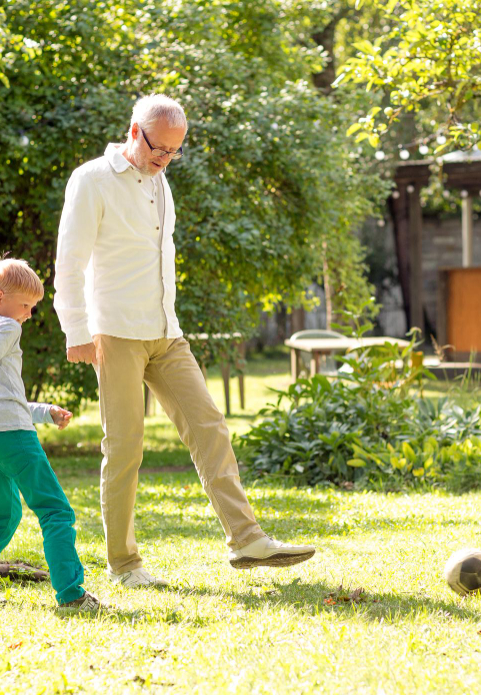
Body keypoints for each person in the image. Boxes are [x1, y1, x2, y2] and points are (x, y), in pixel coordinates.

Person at [54, 94, 315, 588]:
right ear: (135, 132)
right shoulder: (92, 179)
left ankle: (245, 539)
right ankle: (124, 564)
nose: (165, 158)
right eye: (159, 148)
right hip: (115, 332)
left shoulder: (160, 181)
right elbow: (70, 262)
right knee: (125, 448)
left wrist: (168, 320)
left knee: (209, 426)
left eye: (175, 151)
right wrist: (78, 332)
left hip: (165, 332)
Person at [0, 258, 101, 612]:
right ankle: (72, 595)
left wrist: (43, 412)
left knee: (4, 511)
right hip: (7, 434)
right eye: (26, 306)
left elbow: (0, 394)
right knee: (54, 510)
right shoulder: (6, 328)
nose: (29, 315)